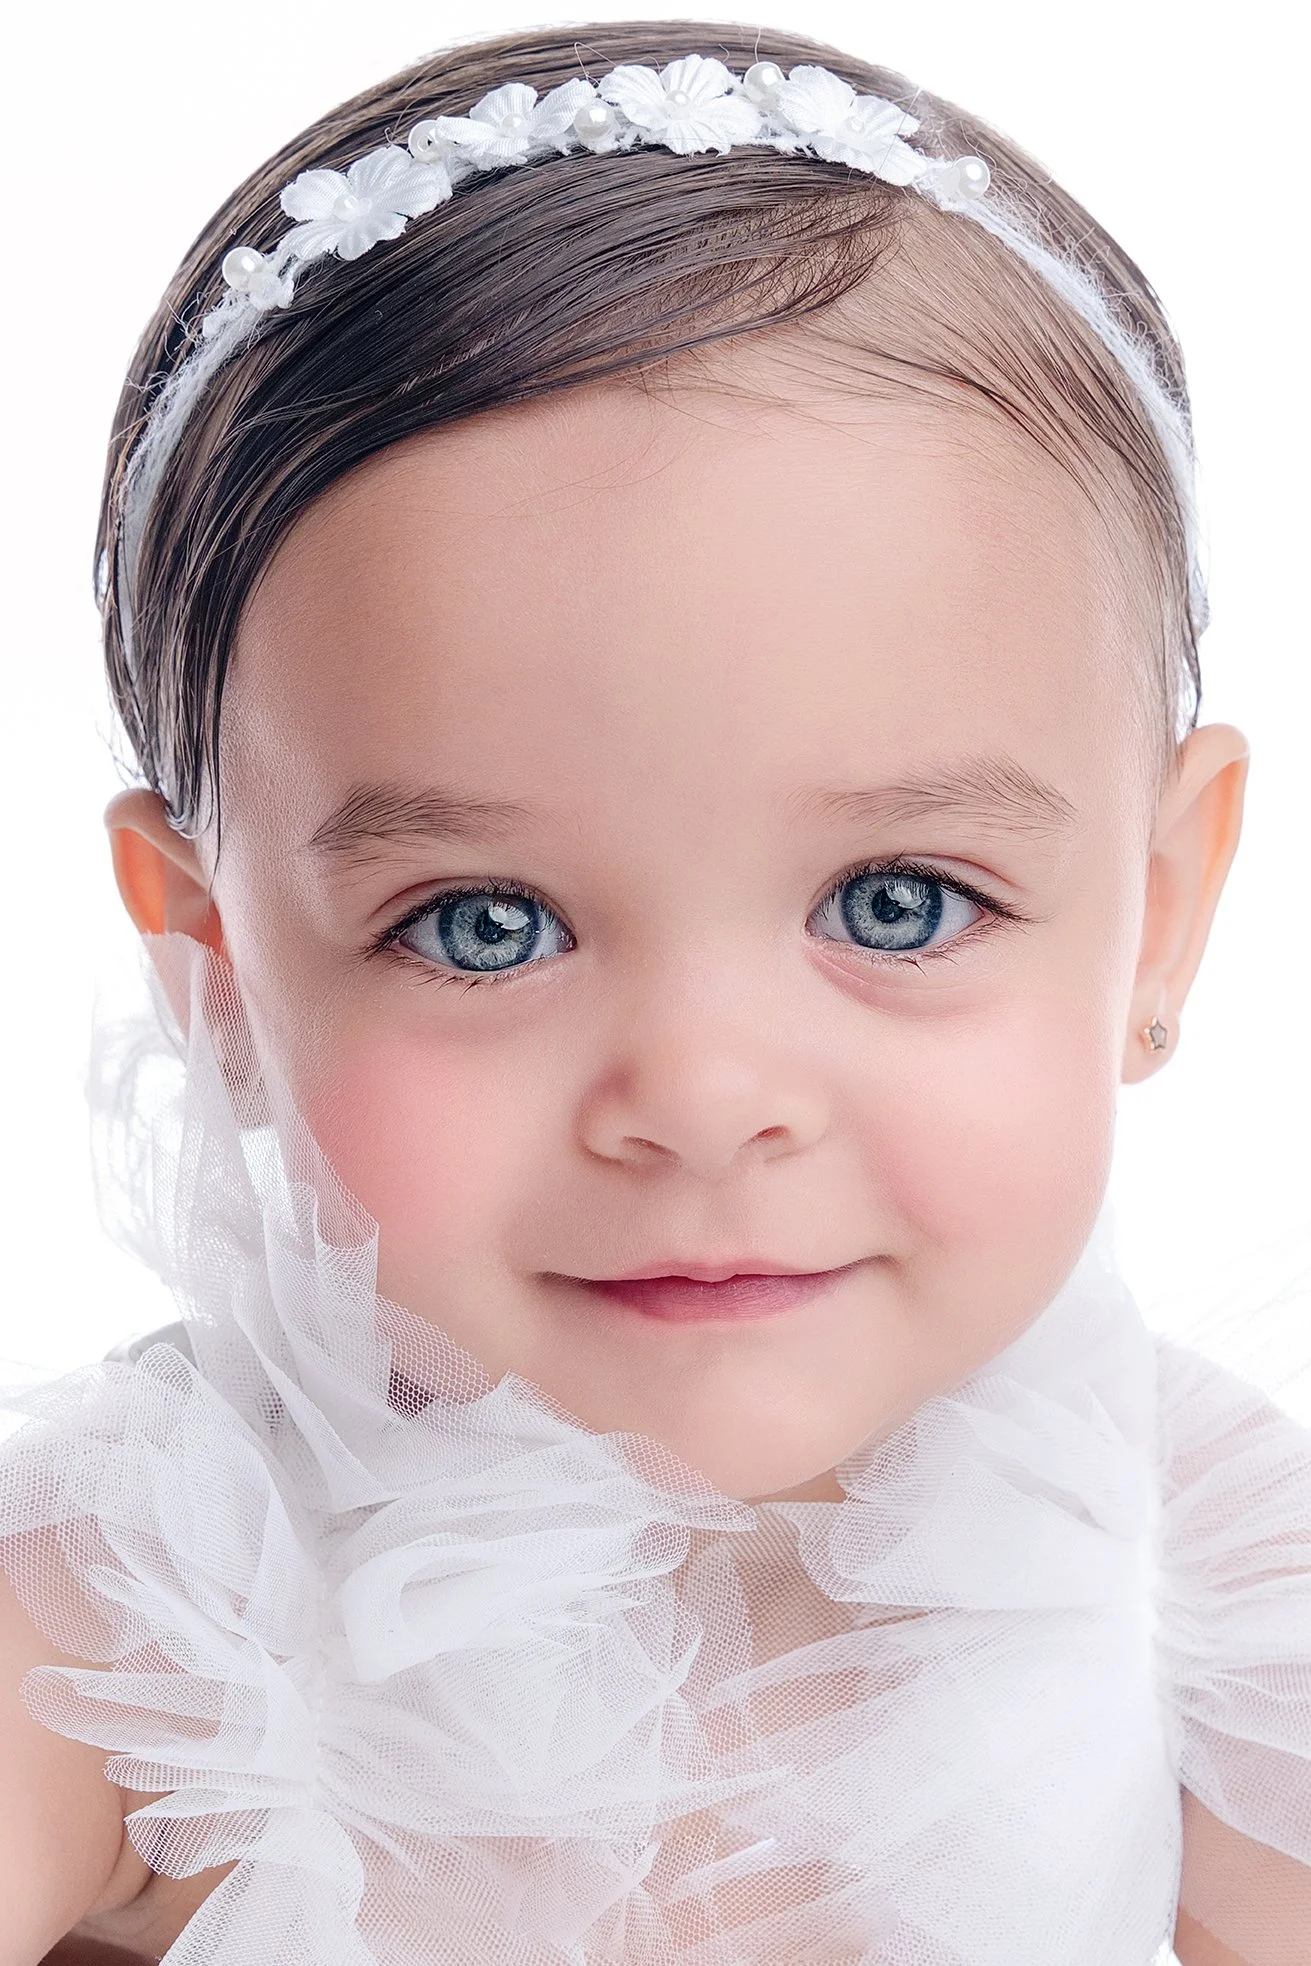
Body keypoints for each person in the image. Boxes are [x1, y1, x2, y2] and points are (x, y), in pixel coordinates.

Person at [2, 19, 1307, 1964]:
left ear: (1158, 910)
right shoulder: (130, 1601)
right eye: (483, 923)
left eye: (893, 899)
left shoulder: (1220, 1613)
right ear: (211, 968)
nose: (700, 1094)